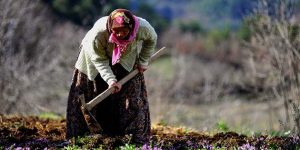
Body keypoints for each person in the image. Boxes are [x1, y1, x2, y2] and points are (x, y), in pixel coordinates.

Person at [66, 8, 157, 145]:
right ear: (110, 27)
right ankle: (83, 137)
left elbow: (152, 39)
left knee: (132, 97)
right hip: (94, 59)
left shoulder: (142, 27)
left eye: (124, 31)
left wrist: (143, 61)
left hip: (126, 58)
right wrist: (110, 79)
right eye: (116, 31)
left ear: (131, 28)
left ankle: (133, 139)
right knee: (91, 91)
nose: (120, 34)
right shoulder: (99, 33)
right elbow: (99, 60)